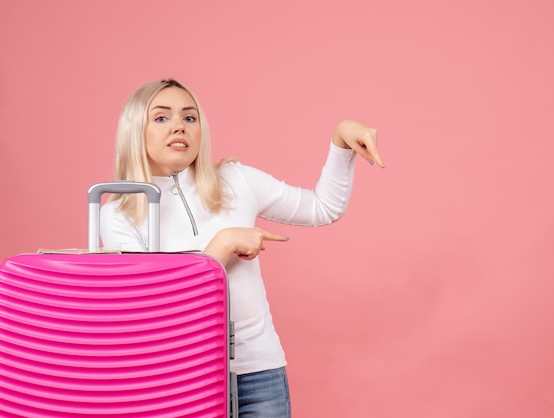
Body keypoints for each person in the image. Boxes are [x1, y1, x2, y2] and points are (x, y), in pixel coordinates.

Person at [100, 79, 384, 417]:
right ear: (136, 130)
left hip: (259, 375)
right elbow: (151, 305)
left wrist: (341, 141)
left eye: (190, 118)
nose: (179, 126)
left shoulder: (236, 181)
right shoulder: (118, 212)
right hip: (177, 378)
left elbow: (323, 207)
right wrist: (220, 247)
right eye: (161, 118)